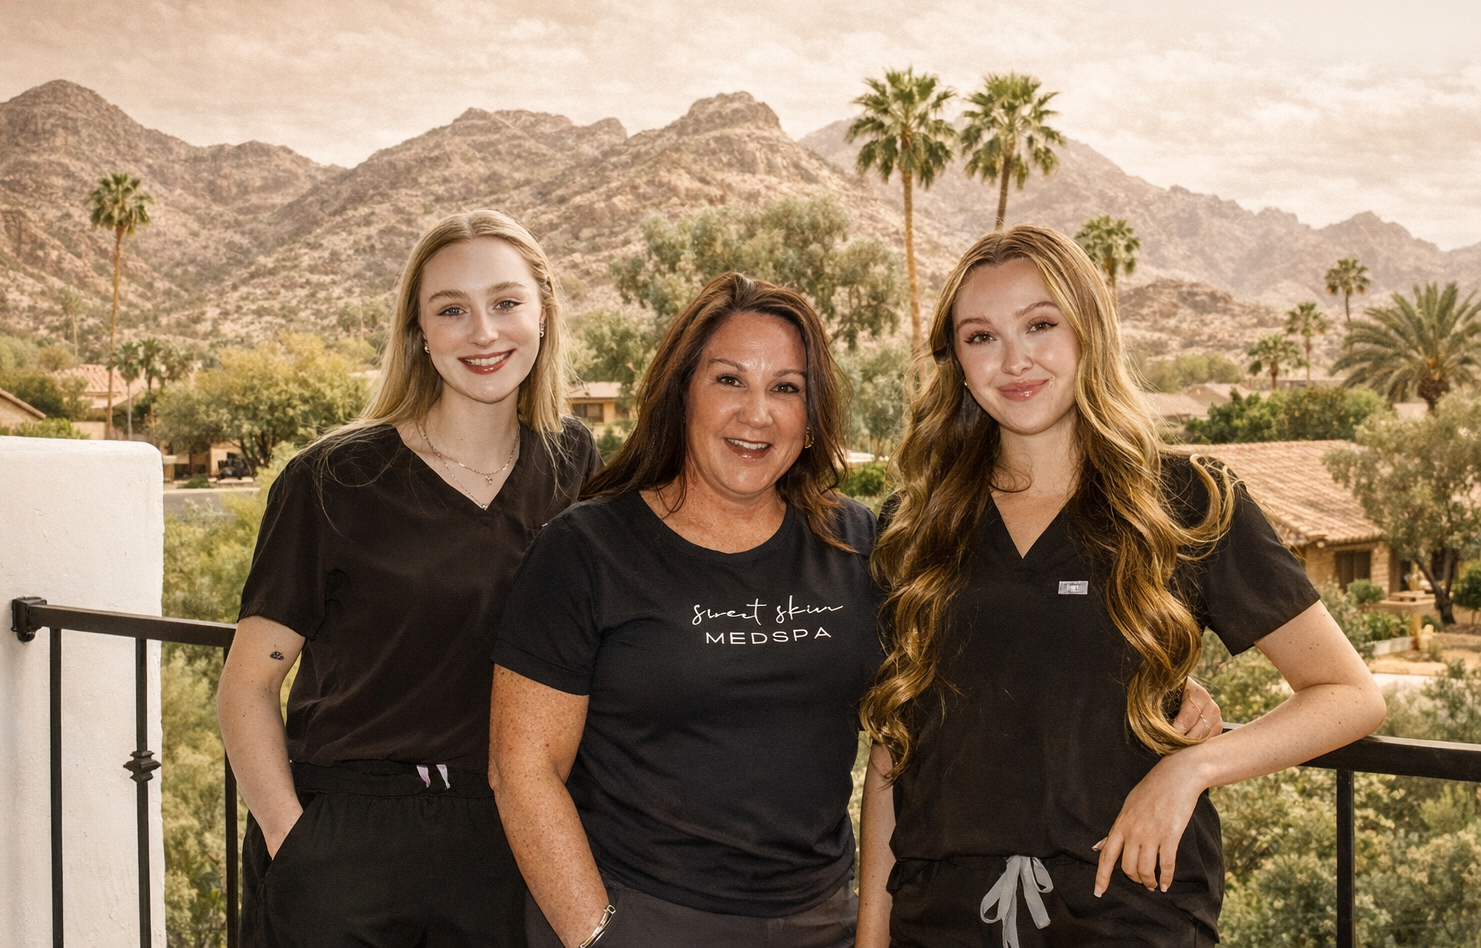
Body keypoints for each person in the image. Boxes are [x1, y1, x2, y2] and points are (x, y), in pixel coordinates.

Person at [488, 271, 1223, 948]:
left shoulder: (859, 542)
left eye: (787, 388)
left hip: (820, 920)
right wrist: (600, 937)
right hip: (645, 912)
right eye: (728, 380)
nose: (756, 412)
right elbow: (522, 769)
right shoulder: (586, 550)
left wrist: (1141, 676)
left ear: (812, 418)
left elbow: (936, 692)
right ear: (682, 394)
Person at [855, 225, 1387, 948]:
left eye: (1040, 325)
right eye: (981, 336)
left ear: (1087, 332)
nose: (1015, 360)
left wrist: (1194, 768)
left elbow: (1350, 694)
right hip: (939, 923)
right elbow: (895, 749)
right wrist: (872, 936)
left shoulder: (1183, 500)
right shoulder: (914, 525)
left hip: (1132, 916)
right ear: (957, 362)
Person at [217, 210, 601, 948]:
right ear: (420, 332)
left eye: (506, 303)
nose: (483, 332)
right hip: (347, 843)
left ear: (543, 315)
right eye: (452, 310)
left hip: (513, 839)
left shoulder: (574, 464)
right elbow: (248, 686)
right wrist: (293, 840)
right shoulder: (332, 479)